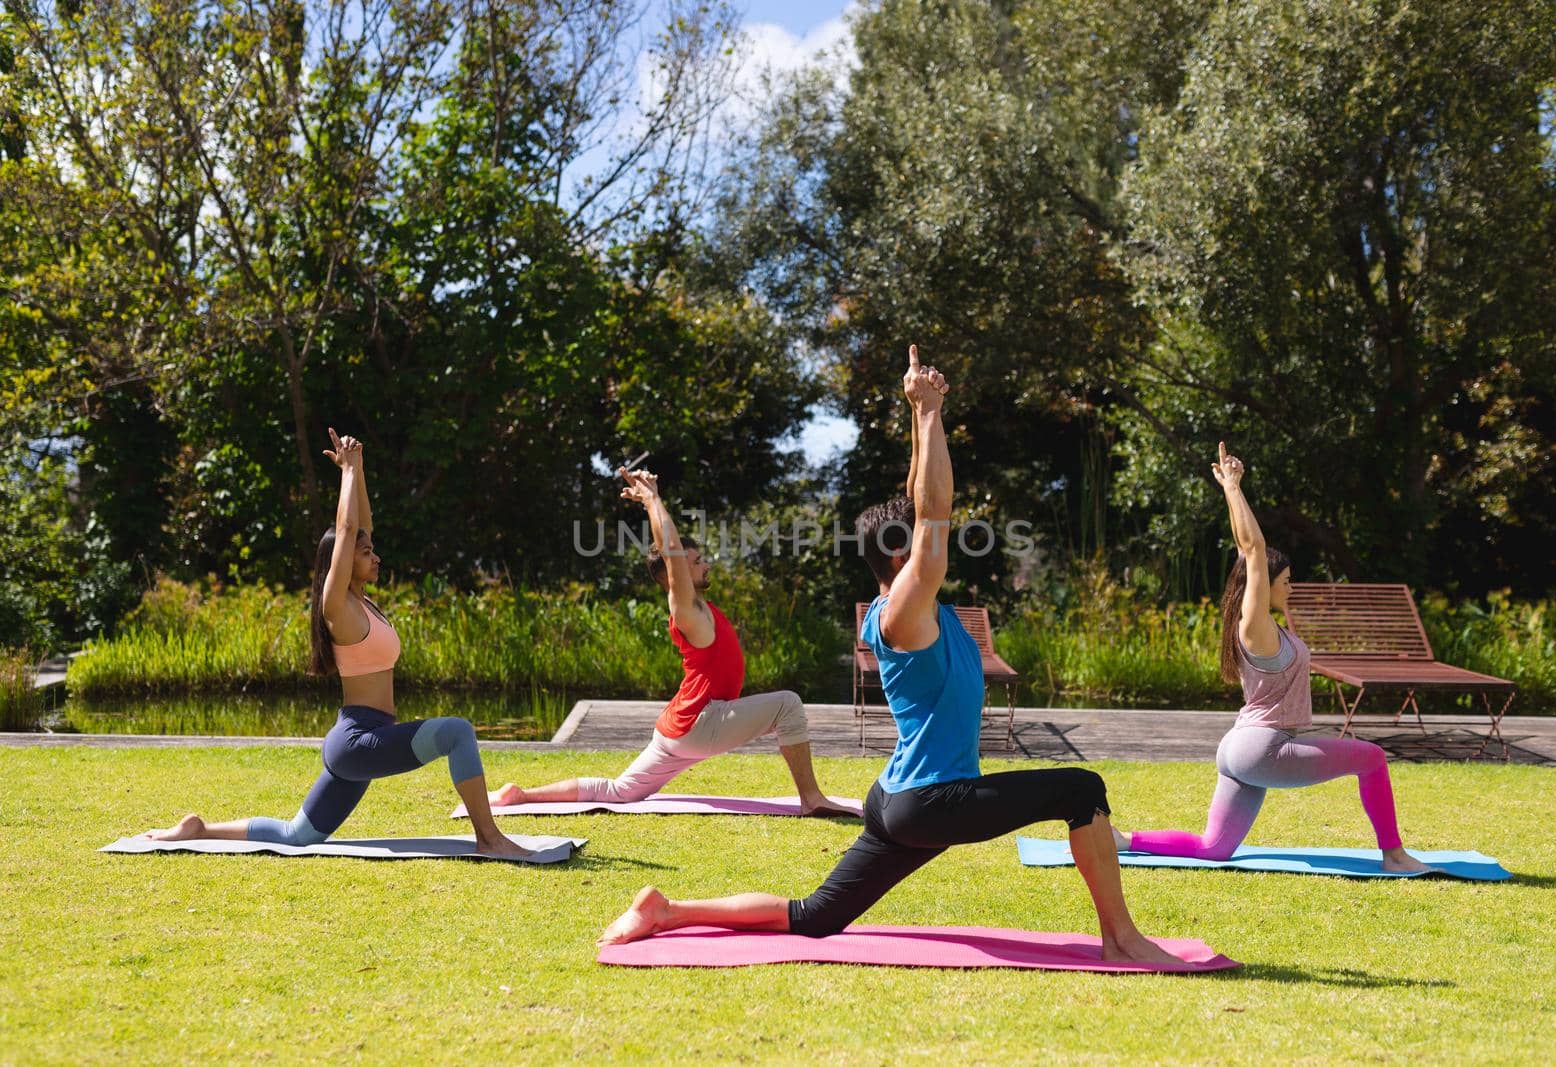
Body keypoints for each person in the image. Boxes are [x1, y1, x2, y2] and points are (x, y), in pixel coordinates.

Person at [599, 347, 1189, 967]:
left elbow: (920, 502)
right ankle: (1121, 937)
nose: (942, 544)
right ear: (903, 559)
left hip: (899, 798)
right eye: (925, 546)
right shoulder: (906, 612)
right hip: (931, 800)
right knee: (1081, 788)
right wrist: (930, 412)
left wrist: (918, 414)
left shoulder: (906, 602)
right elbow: (934, 512)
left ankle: (665, 911)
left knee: (815, 916)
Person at [144, 428, 534, 858]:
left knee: (299, 836)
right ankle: (489, 838)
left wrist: (359, 469)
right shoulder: (338, 608)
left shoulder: (362, 604)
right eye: (366, 553)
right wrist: (345, 473)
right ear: (342, 562)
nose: (376, 555)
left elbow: (360, 525)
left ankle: (199, 828)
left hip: (363, 739)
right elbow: (348, 528)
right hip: (359, 740)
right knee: (458, 732)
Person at [1112, 443, 1431, 874]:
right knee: (1371, 758)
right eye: (1285, 580)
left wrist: (1231, 489)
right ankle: (1394, 855)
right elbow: (1254, 550)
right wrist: (1233, 488)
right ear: (1263, 587)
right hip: (1265, 748)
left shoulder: (1268, 628)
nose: (1291, 587)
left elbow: (1247, 556)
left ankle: (1123, 840)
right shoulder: (1255, 626)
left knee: (1214, 848)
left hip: (1240, 749)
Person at [489, 467, 853, 816]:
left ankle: (521, 794)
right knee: (787, 704)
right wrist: (650, 501)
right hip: (699, 723)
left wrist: (654, 498)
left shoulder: (697, 606)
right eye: (696, 562)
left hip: (677, 726)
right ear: (674, 574)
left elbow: (669, 548)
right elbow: (672, 551)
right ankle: (811, 799)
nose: (704, 565)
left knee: (620, 792)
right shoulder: (685, 607)